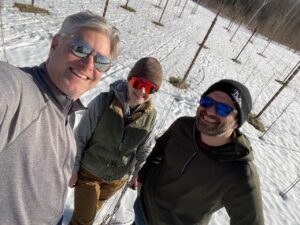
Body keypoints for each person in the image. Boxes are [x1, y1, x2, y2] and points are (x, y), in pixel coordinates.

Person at [0, 11, 120, 225]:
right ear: (55, 44)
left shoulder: (67, 113)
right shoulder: (19, 89)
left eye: (101, 61)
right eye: (80, 49)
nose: (88, 66)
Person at [134, 79, 264, 225]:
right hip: (141, 210)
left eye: (223, 109)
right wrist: (143, 177)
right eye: (207, 102)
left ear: (237, 122)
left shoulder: (240, 172)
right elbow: (159, 150)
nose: (209, 111)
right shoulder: (182, 126)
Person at [68, 57, 163, 225]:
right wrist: (73, 167)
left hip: (116, 180)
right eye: (138, 82)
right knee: (84, 220)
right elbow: (80, 137)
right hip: (89, 172)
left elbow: (144, 151)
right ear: (129, 79)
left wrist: (136, 174)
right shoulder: (103, 102)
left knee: (91, 210)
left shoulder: (151, 117)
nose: (141, 91)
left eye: (149, 87)